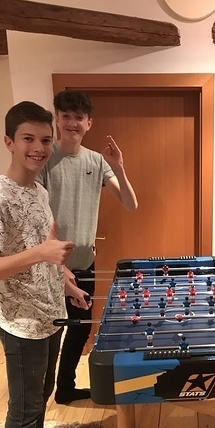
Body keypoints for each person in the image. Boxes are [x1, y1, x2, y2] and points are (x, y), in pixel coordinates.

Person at [0, 101, 90, 428]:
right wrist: (41, 254)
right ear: (9, 142)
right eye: (28, 138)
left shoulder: (38, 191)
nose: (39, 148)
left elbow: (44, 248)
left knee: (42, 393)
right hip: (20, 322)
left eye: (45, 140)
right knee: (23, 408)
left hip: (49, 315)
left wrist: (66, 281)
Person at [37, 90, 138, 404]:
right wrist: (59, 268)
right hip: (51, 265)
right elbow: (37, 219)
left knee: (79, 329)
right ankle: (41, 395)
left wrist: (118, 166)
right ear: (57, 119)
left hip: (85, 263)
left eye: (78, 117)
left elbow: (131, 204)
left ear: (89, 123)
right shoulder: (44, 159)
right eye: (65, 116)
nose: (72, 123)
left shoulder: (97, 160)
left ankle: (65, 388)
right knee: (51, 331)